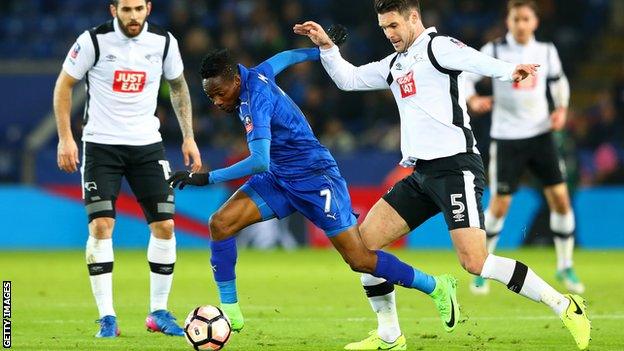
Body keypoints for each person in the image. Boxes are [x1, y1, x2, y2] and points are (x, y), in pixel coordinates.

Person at [293, 0, 590, 350]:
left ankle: (565, 305)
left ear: (413, 17)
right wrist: (328, 47)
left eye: (393, 26)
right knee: (363, 248)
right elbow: (349, 79)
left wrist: (509, 70)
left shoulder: (438, 47)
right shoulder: (394, 64)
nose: (389, 34)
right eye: (384, 28)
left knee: (475, 262)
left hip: (456, 168)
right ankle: (390, 335)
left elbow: (474, 60)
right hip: (421, 174)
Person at [166, 46, 459, 339]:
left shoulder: (256, 98)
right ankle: (230, 312)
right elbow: (284, 58)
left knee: (359, 259)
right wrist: (321, 49)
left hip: (315, 179)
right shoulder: (255, 75)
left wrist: (207, 178)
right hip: (280, 177)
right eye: (210, 96)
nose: (216, 101)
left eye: (219, 93)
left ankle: (436, 286)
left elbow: (259, 160)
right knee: (220, 223)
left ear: (235, 80)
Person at [53, 0, 201, 338]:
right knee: (102, 226)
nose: (132, 16)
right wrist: (66, 138)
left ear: (148, 8)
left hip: (147, 145)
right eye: (126, 9)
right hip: (101, 145)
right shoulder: (92, 41)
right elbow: (64, 85)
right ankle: (107, 317)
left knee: (165, 225)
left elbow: (178, 86)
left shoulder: (164, 43)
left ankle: (159, 312)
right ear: (113, 10)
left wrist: (188, 138)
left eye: (138, 8)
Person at [464, 0, 584, 296]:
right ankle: (482, 268)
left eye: (525, 19)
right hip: (507, 138)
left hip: (542, 135)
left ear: (535, 22)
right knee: (500, 203)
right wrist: (472, 100)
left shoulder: (546, 51)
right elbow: (465, 75)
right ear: (508, 21)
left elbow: (558, 82)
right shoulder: (494, 51)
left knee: (560, 199)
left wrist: (562, 109)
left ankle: (565, 265)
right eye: (515, 18)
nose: (520, 24)